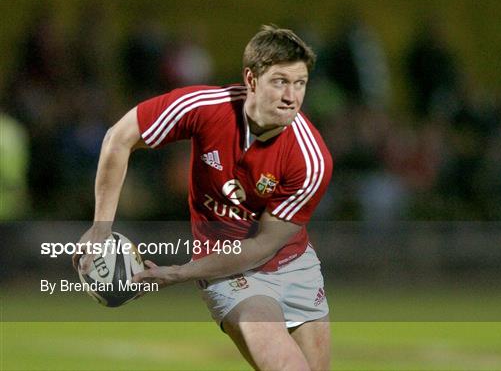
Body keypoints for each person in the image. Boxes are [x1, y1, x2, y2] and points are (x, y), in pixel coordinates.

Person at [73, 24, 333, 371]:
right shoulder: (206, 108)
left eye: (300, 83)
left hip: (293, 265)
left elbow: (261, 246)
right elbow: (119, 137)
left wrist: (177, 273)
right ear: (251, 79)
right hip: (230, 273)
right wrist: (100, 229)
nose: (292, 96)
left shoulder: (311, 158)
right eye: (280, 81)